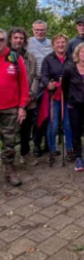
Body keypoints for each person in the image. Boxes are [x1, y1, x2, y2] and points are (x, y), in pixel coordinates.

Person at [0, 28, 29, 185]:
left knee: (9, 142)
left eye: (1, 39)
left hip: (10, 108)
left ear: (6, 41)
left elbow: (24, 83)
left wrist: (22, 106)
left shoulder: (14, 58)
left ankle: (9, 169)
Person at [39, 34, 74, 164]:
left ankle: (70, 149)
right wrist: (48, 83)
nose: (60, 45)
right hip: (54, 95)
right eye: (58, 42)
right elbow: (43, 75)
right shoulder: (48, 59)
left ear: (66, 44)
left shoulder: (71, 59)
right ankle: (52, 149)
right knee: (53, 124)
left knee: (67, 123)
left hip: (68, 95)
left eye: (63, 42)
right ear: (53, 44)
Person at [62, 43, 84, 172]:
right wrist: (70, 99)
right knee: (75, 132)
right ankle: (78, 158)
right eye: (82, 52)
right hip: (74, 106)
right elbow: (64, 87)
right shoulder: (69, 68)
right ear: (77, 54)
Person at [8, 28, 39, 166]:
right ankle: (8, 160)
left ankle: (25, 154)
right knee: (10, 132)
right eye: (16, 38)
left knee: (26, 129)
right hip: (10, 102)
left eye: (21, 38)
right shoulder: (4, 56)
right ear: (10, 39)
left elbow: (37, 77)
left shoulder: (30, 56)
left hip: (28, 100)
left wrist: (31, 93)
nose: (18, 40)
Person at [27, 20, 53, 157]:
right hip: (35, 85)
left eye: (42, 29)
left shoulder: (51, 44)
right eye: (37, 30)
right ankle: (36, 145)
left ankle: (49, 144)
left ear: (46, 30)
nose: (39, 32)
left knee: (50, 116)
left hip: (50, 84)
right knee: (37, 116)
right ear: (33, 30)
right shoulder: (28, 43)